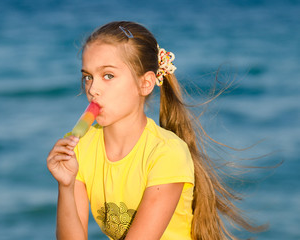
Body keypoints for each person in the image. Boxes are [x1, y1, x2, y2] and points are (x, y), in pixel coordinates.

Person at [47, 21, 264, 240]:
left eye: (108, 76)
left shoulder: (166, 153)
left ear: (146, 83)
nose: (93, 89)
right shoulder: (82, 148)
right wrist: (66, 185)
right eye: (88, 77)